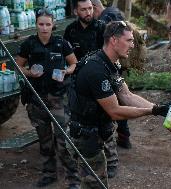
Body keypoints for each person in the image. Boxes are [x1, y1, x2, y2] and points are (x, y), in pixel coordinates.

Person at [67, 21, 169, 189]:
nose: (133, 45)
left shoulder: (110, 63)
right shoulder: (96, 70)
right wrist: (152, 110)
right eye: (129, 40)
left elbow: (126, 95)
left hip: (97, 134)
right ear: (114, 40)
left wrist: (159, 108)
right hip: (86, 139)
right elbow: (115, 111)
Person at [16, 8, 80, 189]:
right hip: (37, 99)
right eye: (41, 24)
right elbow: (18, 66)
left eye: (48, 24)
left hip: (59, 98)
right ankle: (49, 174)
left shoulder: (61, 43)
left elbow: (74, 63)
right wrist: (29, 73)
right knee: (44, 139)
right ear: (36, 24)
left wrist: (65, 71)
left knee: (63, 139)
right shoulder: (29, 44)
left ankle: (73, 177)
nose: (44, 28)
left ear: (53, 25)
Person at [64, 0, 120, 178]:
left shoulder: (102, 28)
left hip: (101, 78)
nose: (88, 12)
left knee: (105, 120)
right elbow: (68, 56)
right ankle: (83, 158)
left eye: (90, 8)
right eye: (83, 9)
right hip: (80, 83)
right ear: (76, 11)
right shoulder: (70, 31)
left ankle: (111, 161)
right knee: (82, 120)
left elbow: (112, 53)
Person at [92, 0, 133, 153]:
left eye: (90, 9)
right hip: (114, 64)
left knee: (115, 100)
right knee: (120, 98)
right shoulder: (114, 11)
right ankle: (124, 136)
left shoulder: (105, 18)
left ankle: (119, 136)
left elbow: (109, 44)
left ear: (95, 7)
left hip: (109, 65)